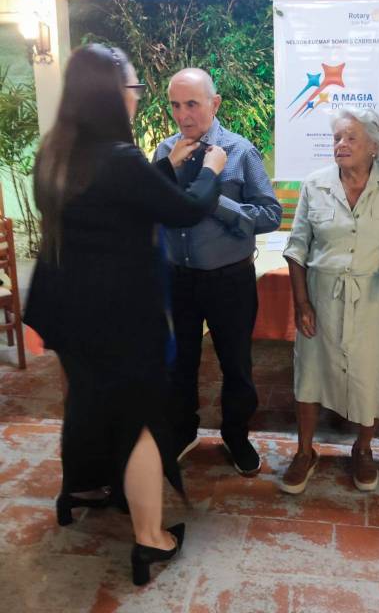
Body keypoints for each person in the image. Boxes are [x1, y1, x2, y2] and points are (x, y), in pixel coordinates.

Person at [24, 44, 227, 585]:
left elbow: (111, 199)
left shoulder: (57, 151)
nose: (137, 98)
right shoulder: (117, 157)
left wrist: (165, 164)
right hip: (116, 315)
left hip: (66, 308)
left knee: (87, 401)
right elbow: (184, 210)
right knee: (141, 419)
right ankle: (150, 539)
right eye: (133, 87)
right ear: (111, 95)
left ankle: (86, 487)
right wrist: (210, 169)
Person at [153, 68, 281, 476]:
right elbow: (150, 209)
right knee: (179, 363)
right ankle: (183, 431)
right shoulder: (165, 151)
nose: (183, 115)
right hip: (178, 278)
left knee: (236, 365)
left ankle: (236, 436)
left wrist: (215, 202)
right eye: (175, 105)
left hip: (229, 280)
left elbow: (271, 214)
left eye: (192, 104)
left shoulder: (239, 152)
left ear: (215, 103)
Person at [279, 108, 379, 495]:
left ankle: (363, 449)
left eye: (351, 137)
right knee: (310, 373)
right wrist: (302, 304)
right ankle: (305, 451)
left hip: (376, 297)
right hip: (322, 295)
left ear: (374, 146)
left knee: (369, 373)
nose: (341, 144)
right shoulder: (315, 184)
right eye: (337, 137)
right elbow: (297, 248)